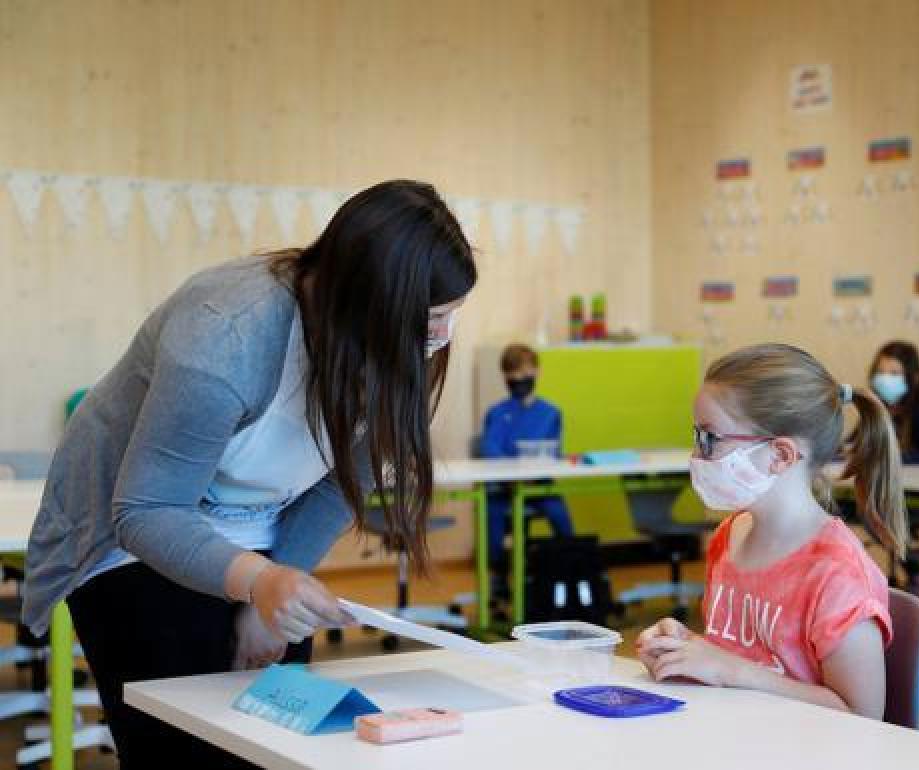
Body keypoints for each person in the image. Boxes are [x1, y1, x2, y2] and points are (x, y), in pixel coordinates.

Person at [22, 179, 477, 768]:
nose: (440, 338)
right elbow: (147, 512)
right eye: (432, 318)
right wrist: (259, 584)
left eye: (450, 317)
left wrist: (275, 589)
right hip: (128, 537)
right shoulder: (227, 335)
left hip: (263, 534)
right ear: (371, 301)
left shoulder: (398, 345)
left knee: (276, 741)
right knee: (187, 739)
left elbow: (342, 482)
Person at [636, 343, 906, 716]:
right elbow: (744, 661)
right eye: (697, 435)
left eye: (710, 439)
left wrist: (730, 670)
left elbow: (862, 714)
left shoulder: (836, 571)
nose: (697, 456)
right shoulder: (729, 538)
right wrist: (686, 650)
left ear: (780, 455)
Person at [480, 344, 574, 579]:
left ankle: (567, 573)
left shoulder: (551, 413)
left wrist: (533, 475)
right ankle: (498, 575)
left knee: (560, 515)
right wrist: (512, 476)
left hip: (539, 487)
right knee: (492, 513)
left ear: (537, 372)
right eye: (512, 375)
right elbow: (490, 449)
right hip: (504, 488)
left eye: (523, 374)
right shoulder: (498, 412)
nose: (518, 380)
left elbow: (552, 451)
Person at [869, 340, 919, 593]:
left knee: (871, 509)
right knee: (850, 505)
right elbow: (855, 443)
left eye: (894, 373)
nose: (886, 379)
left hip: (918, 499)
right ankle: (916, 571)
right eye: (881, 372)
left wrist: (894, 458)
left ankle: (916, 571)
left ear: (913, 377)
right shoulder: (877, 408)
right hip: (886, 493)